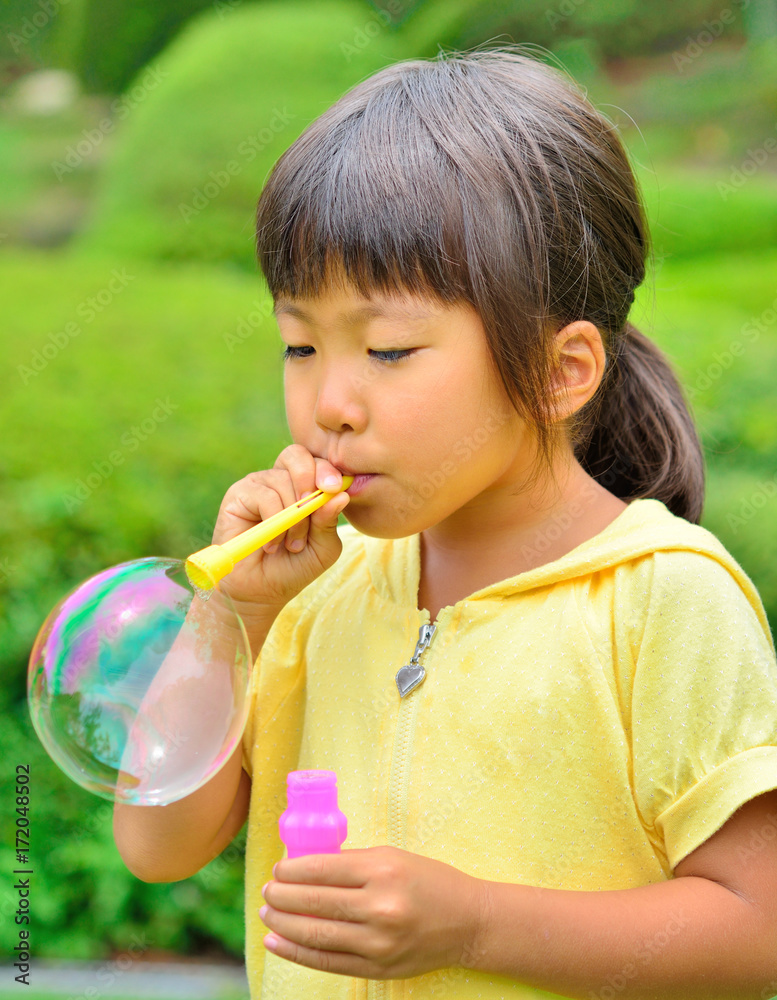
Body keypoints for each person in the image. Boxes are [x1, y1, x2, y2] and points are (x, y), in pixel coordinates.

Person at [113, 46, 777, 999]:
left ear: (560, 371)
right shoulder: (312, 592)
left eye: (387, 349)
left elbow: (752, 930)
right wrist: (236, 615)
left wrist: (474, 924)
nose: (328, 401)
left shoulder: (662, 598)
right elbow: (154, 842)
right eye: (299, 342)